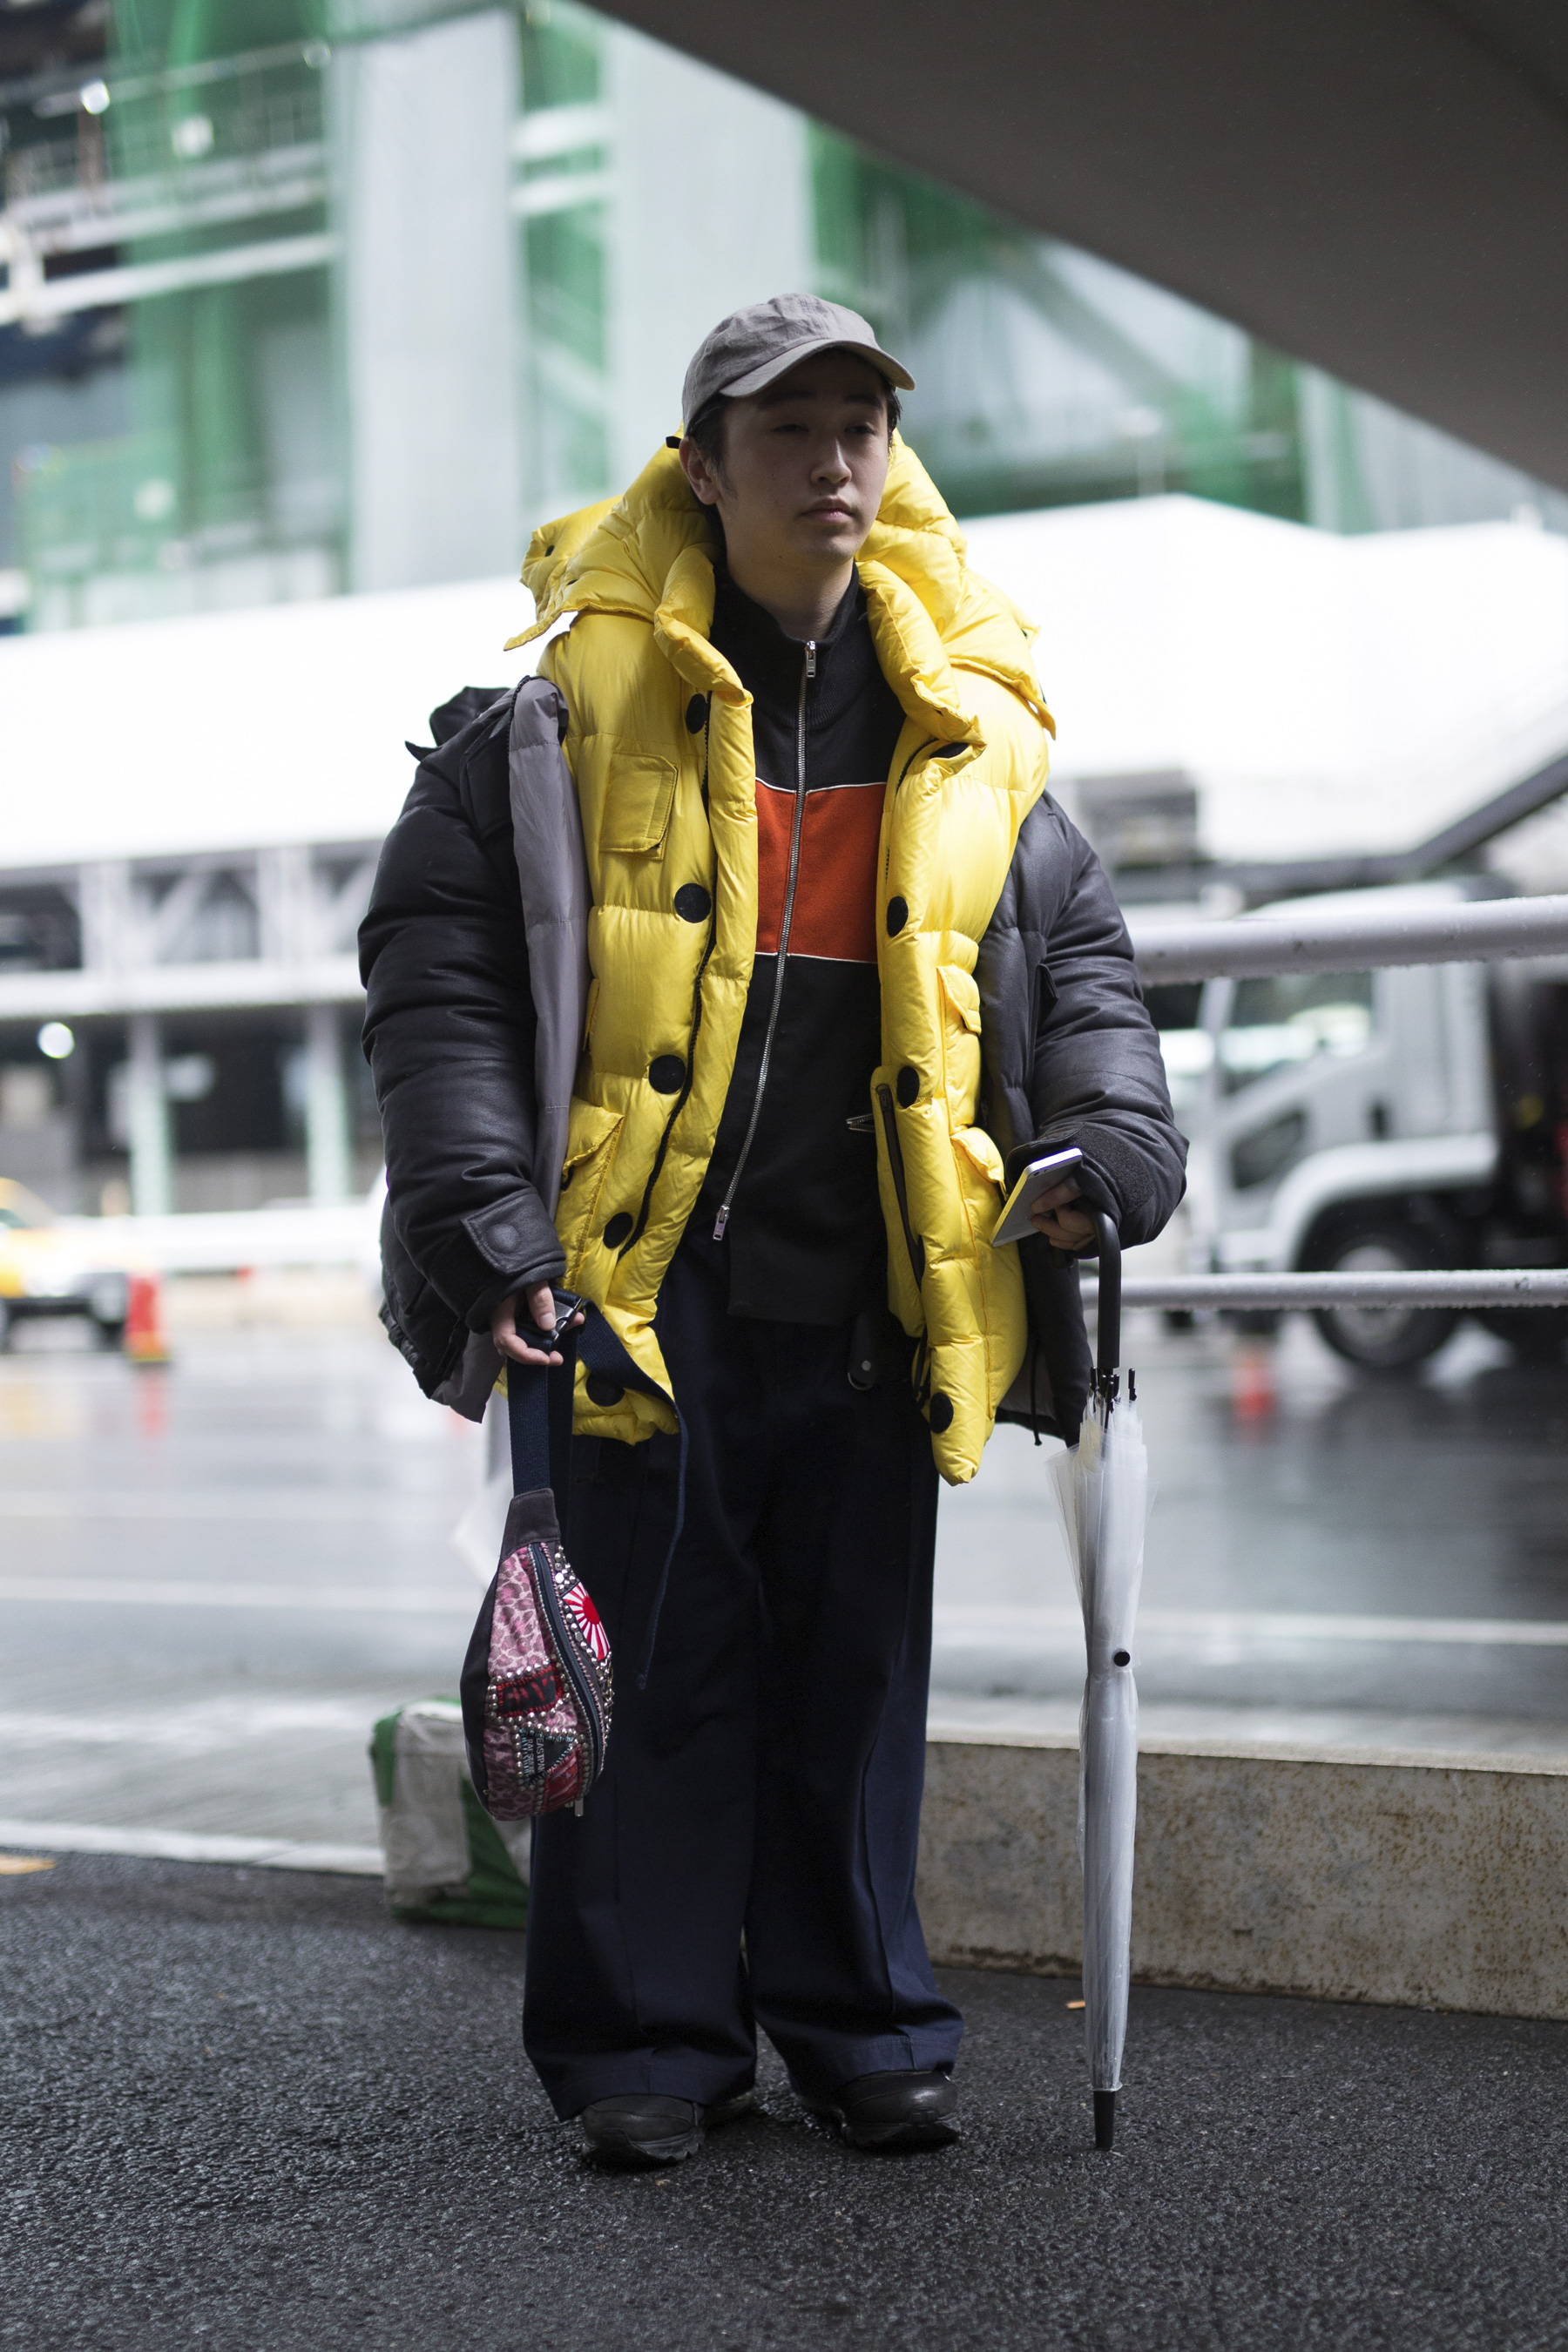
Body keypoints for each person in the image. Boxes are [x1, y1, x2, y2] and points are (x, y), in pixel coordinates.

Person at [361, 293, 1185, 2170]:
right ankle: (647, 2052)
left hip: (883, 1286)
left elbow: (1086, 981)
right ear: (703, 467)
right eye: (789, 431)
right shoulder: (550, 727)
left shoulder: (971, 734)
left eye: (860, 429)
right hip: (633, 1293)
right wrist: (494, 1238)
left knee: (855, 1676)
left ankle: (861, 2024)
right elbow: (441, 984)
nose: (832, 462)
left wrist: (1111, 1148)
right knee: (646, 1670)